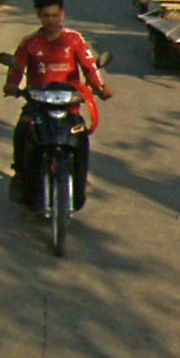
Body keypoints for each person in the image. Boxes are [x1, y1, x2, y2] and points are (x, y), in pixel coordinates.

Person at [2, 0, 113, 210]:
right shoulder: (30, 43)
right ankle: (20, 175)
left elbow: (89, 67)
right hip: (38, 105)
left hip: (68, 106)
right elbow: (17, 68)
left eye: (54, 15)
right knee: (22, 129)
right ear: (38, 16)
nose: (50, 21)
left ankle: (80, 179)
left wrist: (100, 87)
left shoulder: (74, 40)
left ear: (62, 15)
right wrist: (11, 85)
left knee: (81, 139)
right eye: (46, 16)